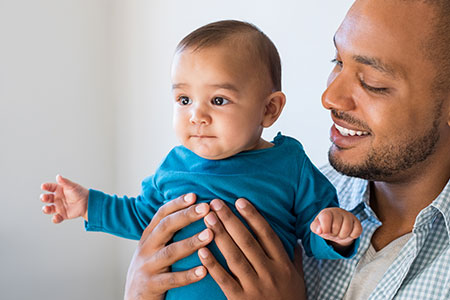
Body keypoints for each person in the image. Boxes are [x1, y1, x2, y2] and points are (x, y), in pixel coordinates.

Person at [121, 0, 450, 299]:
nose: (329, 98)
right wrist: (137, 293)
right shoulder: (303, 196)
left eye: (371, 81)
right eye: (337, 61)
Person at [40, 21, 362, 299]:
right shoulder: (174, 164)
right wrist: (88, 205)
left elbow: (314, 230)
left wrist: (334, 232)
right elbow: (142, 217)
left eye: (218, 100)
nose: (196, 116)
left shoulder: (289, 163)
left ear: (269, 109)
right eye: (184, 99)